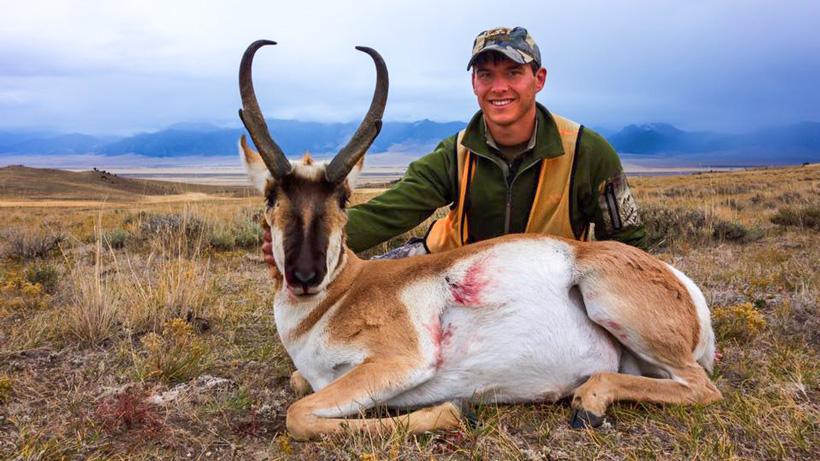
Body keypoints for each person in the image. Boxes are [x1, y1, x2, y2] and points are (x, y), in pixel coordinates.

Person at [263, 26, 645, 264]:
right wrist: (309, 238)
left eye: (513, 73)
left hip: (546, 280)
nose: (499, 87)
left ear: (538, 79)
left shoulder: (587, 151)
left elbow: (629, 244)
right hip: (450, 267)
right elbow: (394, 210)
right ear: (474, 83)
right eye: (486, 75)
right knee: (367, 289)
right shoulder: (455, 152)